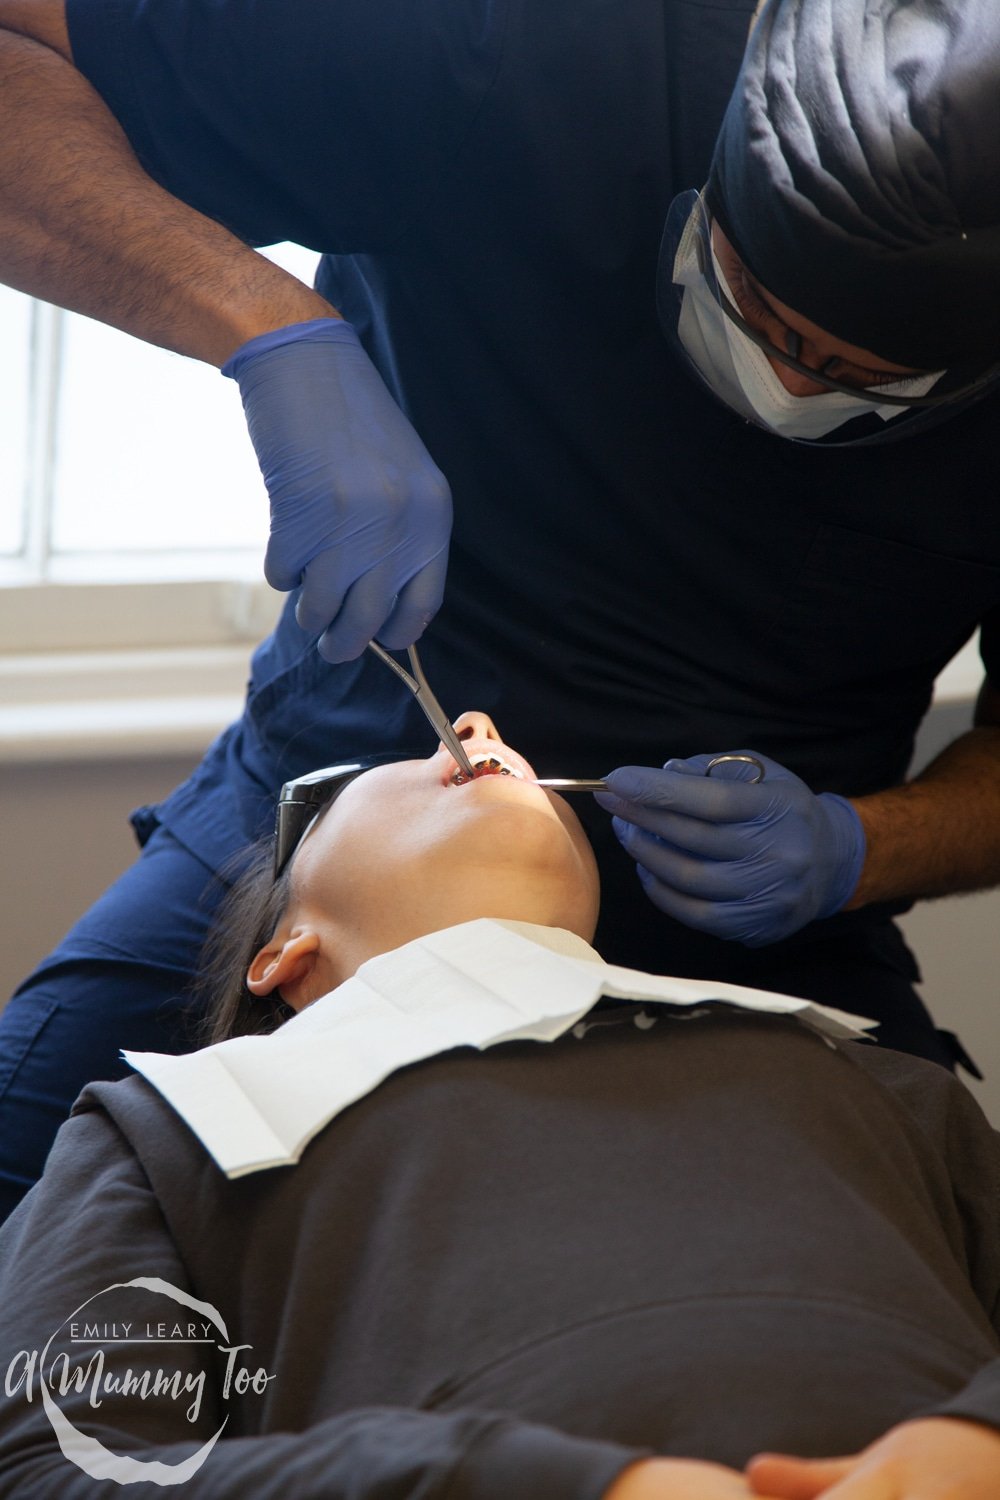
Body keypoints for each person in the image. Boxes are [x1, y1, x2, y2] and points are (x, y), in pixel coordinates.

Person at [2, 0, 1000, 1219]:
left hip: (779, 932)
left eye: (855, 380)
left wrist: (855, 851)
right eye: (760, 312)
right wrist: (266, 328)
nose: (786, 382)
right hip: (304, 806)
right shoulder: (531, 51)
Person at [1, 713, 1000, 1499]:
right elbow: (63, 1470)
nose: (476, 728)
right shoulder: (168, 1126)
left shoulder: (880, 1081)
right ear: (286, 955)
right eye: (385, 771)